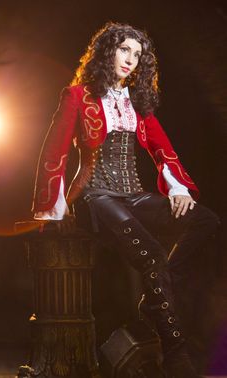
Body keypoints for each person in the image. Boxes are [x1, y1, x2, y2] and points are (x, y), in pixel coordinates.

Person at [32, 22, 219, 378]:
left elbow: (163, 150)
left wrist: (178, 189)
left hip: (131, 195)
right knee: (152, 257)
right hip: (94, 196)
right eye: (124, 50)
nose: (131, 59)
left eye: (138, 54)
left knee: (205, 220)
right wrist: (51, 208)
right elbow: (53, 152)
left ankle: (154, 301)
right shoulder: (77, 96)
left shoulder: (136, 103)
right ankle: (176, 353)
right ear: (108, 51)